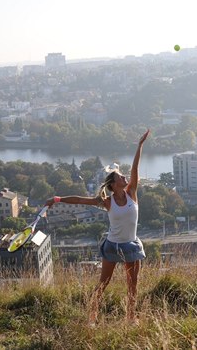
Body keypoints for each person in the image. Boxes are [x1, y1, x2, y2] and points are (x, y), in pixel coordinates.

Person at [45, 129, 150, 324]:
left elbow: (135, 169)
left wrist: (140, 145)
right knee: (103, 283)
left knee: (133, 285)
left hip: (131, 245)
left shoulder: (132, 193)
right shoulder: (107, 201)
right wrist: (57, 199)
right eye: (120, 176)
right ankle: (92, 316)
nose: (125, 177)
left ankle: (131, 317)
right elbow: (79, 200)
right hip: (112, 245)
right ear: (113, 184)